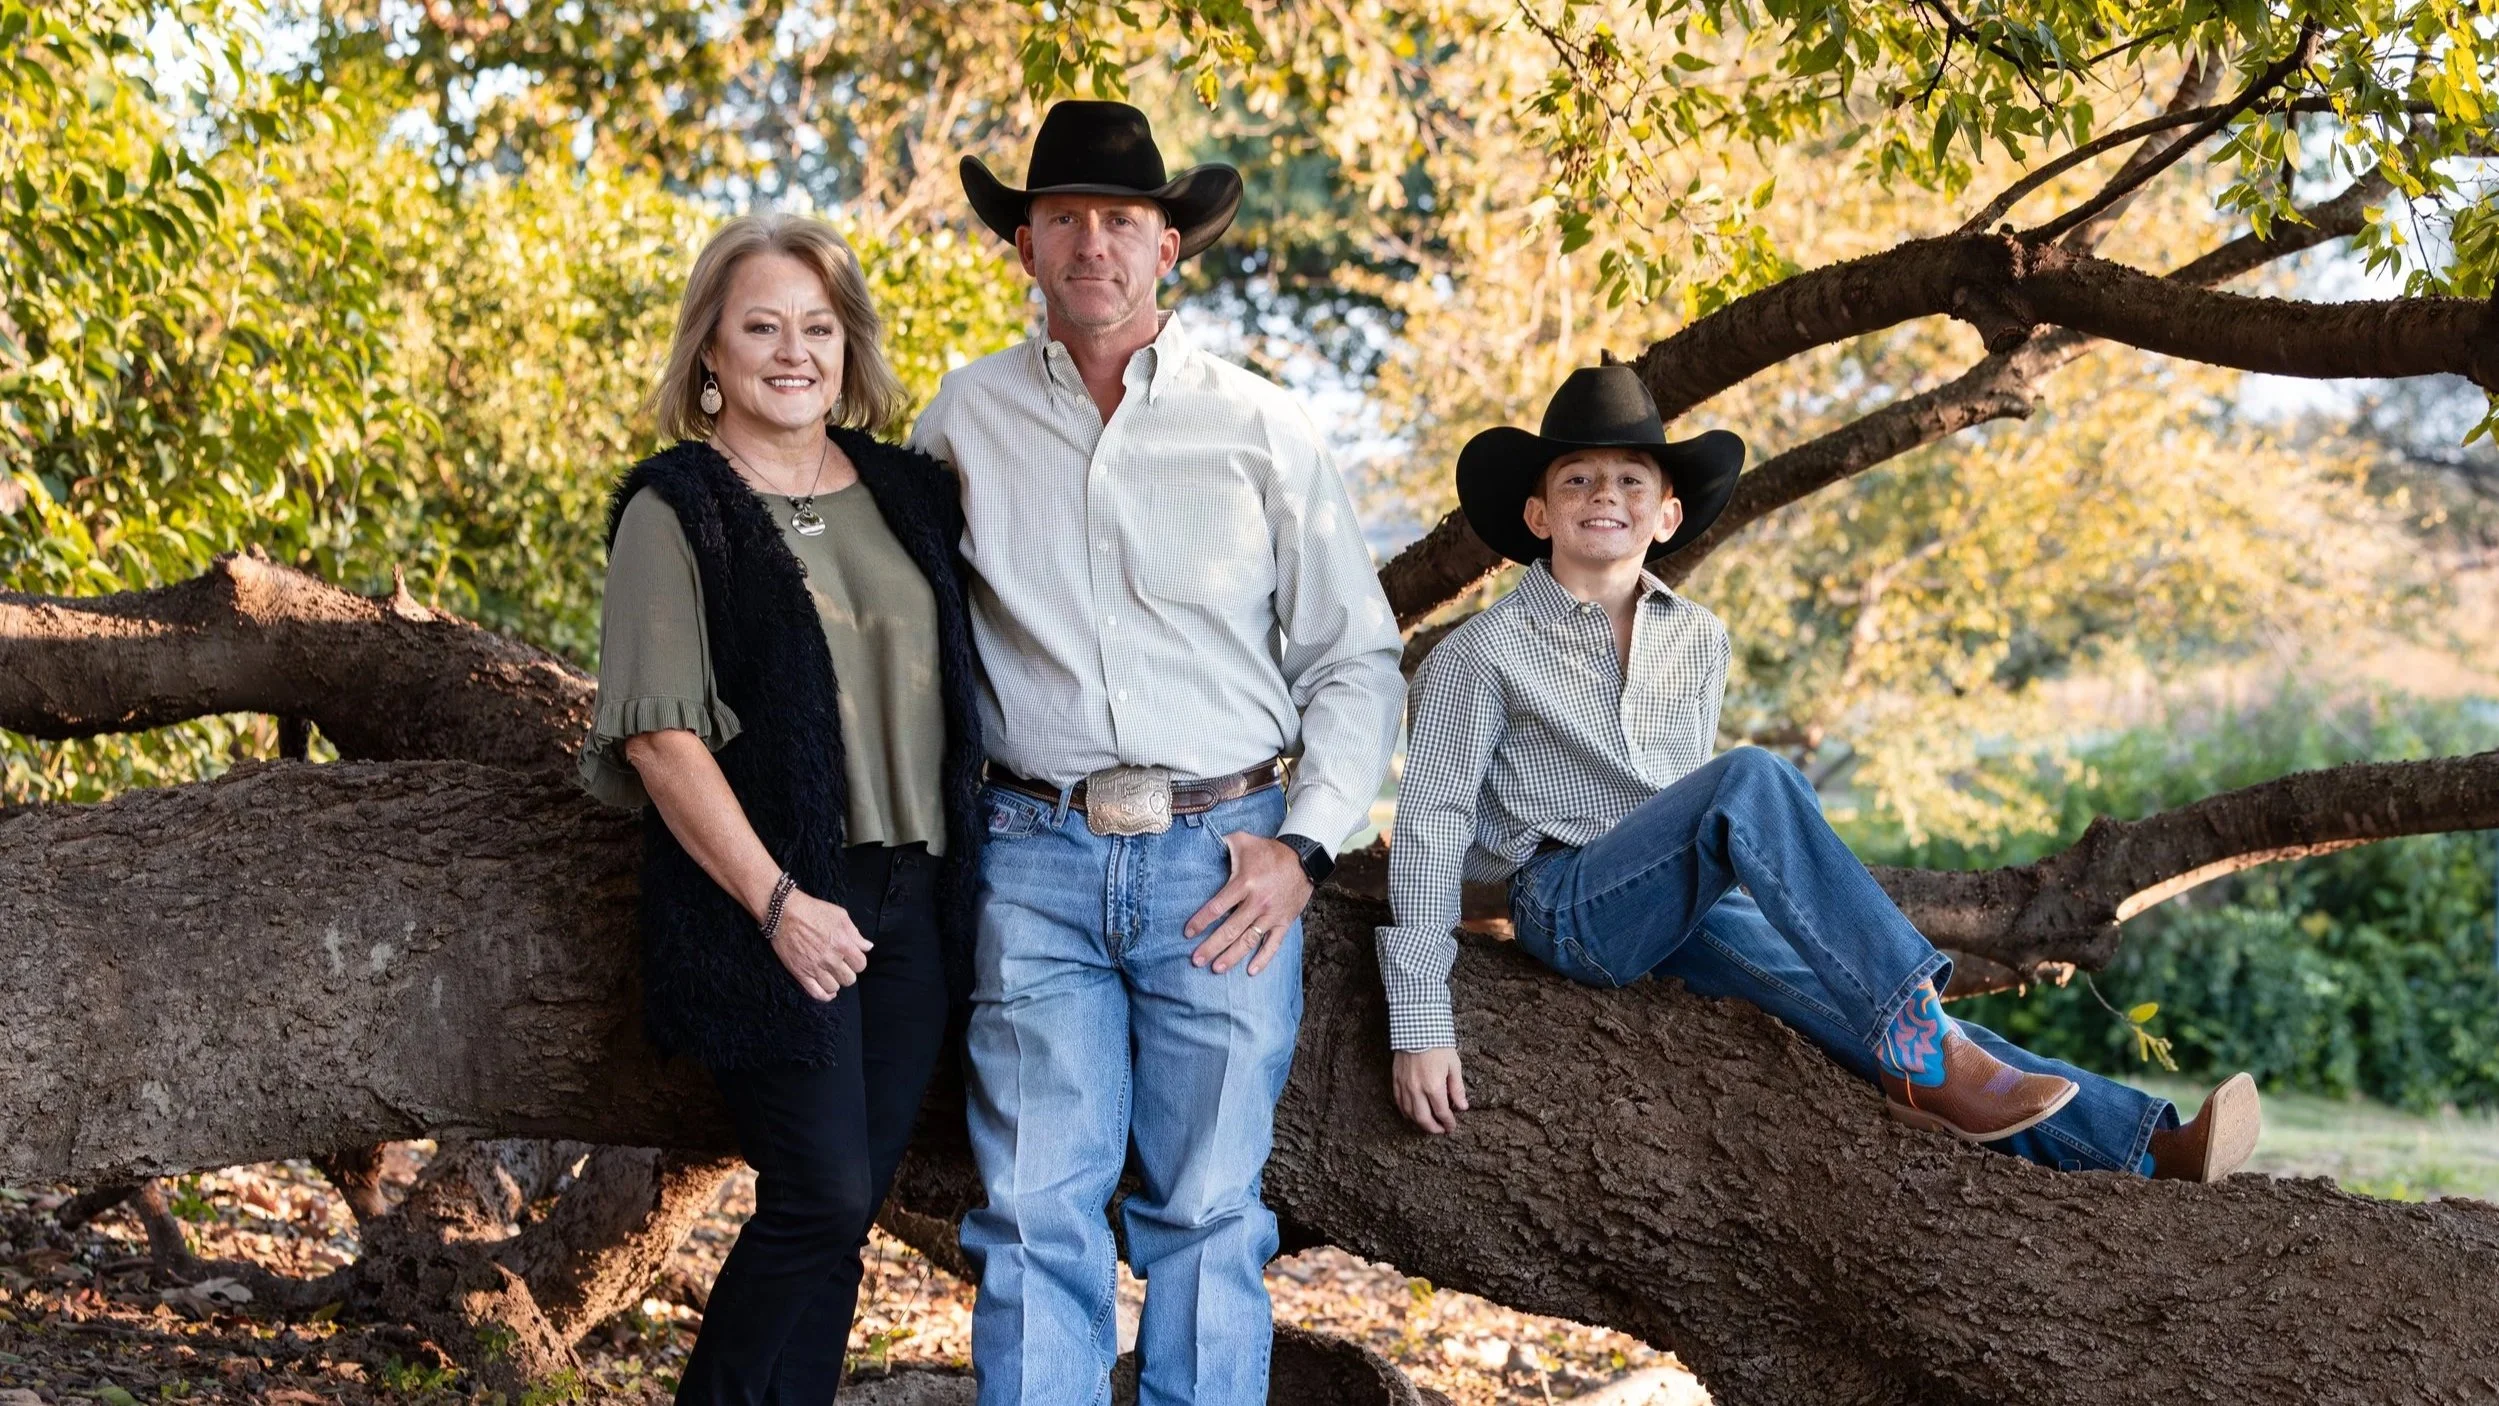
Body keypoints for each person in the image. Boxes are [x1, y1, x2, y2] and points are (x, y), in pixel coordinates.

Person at [1377, 363, 2263, 1182]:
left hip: (1684, 900)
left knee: (1872, 1006)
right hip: (1567, 905)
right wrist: (1419, 1022)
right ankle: (1926, 1050)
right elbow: (1429, 830)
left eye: (1630, 481)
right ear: (1539, 517)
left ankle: (2147, 1147)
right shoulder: (1479, 654)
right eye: (1576, 479)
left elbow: (1681, 799)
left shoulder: (1697, 638)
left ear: (1666, 515)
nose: (1603, 494)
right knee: (1752, 778)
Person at [908, 101, 1406, 1406]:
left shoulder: (1261, 428)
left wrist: (1304, 845)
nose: (1091, 243)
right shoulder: (957, 421)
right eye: (1061, 217)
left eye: (1119, 220)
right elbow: (900, 637)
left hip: (1222, 863)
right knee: (1030, 1216)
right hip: (1030, 860)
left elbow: (1352, 658)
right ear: (1021, 246)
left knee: (1203, 1213)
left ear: (1167, 246)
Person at [580, 212, 986, 1404]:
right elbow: (661, 738)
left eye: (817, 326)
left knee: (848, 1203)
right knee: (812, 1191)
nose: (792, 350)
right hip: (779, 892)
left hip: (917, 897)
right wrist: (778, 901)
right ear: (710, 348)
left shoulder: (914, 493)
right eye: (760, 325)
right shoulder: (678, 510)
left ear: (848, 348)